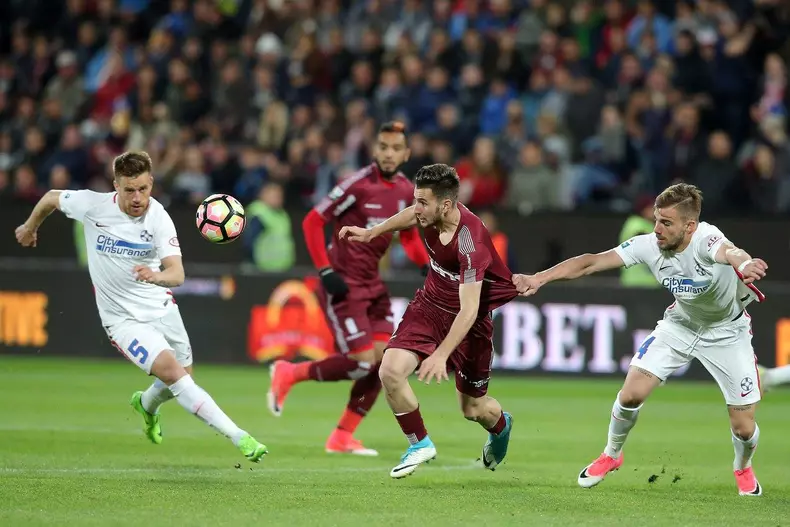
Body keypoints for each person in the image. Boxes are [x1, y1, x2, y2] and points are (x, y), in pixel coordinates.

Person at [513, 183, 767, 496]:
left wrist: (743, 263)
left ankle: (742, 466)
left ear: (690, 226)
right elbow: (591, 262)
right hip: (680, 326)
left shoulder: (706, 239)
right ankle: (611, 454)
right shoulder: (649, 245)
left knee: (743, 427)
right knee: (630, 394)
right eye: (657, 220)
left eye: (666, 223)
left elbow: (729, 252)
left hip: (727, 333)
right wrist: (538, 278)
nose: (657, 228)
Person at [14, 151, 267, 463]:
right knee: (175, 374)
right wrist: (30, 226)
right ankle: (239, 436)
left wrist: (156, 276)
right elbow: (52, 197)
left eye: (144, 189)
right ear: (116, 186)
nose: (138, 198)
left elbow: (177, 274)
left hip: (160, 307)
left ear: (152, 184)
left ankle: (146, 405)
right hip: (122, 320)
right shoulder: (92, 205)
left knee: (183, 375)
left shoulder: (158, 218)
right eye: (129, 190)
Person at [339, 163, 516, 479]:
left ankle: (502, 427)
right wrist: (372, 232)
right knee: (390, 370)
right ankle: (419, 443)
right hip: (429, 306)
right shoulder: (428, 215)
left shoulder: (470, 243)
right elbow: (410, 215)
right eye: (416, 200)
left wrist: (440, 354)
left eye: (423, 202)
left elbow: (469, 311)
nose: (416, 208)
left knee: (473, 409)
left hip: (469, 324)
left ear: (445, 205)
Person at [267, 122, 431, 456]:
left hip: (373, 284)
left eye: (395, 148)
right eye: (383, 147)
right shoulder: (356, 185)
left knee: (385, 363)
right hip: (343, 283)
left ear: (406, 154)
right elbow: (312, 221)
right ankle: (290, 372)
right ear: (374, 149)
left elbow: (411, 237)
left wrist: (425, 264)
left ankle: (342, 436)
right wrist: (325, 271)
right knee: (360, 362)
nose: (388, 153)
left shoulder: (405, 191)